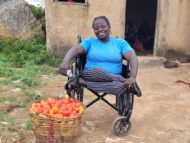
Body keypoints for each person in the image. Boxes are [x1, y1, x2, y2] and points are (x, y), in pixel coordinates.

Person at [59, 16, 138, 95]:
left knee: (120, 87)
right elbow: (76, 49)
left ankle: (83, 82)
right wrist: (66, 61)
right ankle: (124, 81)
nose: (100, 30)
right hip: (91, 74)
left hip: (113, 80)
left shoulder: (119, 42)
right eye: (96, 28)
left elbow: (132, 56)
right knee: (97, 70)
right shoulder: (90, 41)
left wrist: (133, 76)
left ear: (109, 27)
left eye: (103, 27)